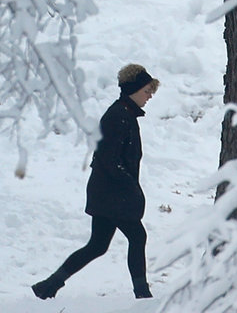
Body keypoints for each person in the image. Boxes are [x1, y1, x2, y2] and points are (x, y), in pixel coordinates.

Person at [33, 63, 159, 300]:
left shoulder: (125, 114)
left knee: (97, 246)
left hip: (107, 192)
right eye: (146, 91)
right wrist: (130, 187)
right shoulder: (118, 117)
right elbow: (109, 159)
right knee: (137, 236)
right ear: (133, 90)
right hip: (112, 193)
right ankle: (142, 295)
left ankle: (50, 284)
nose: (150, 96)